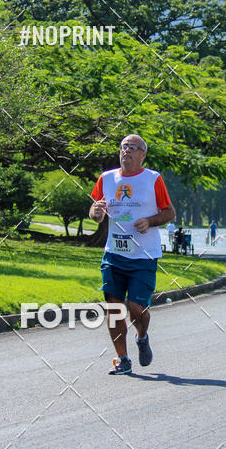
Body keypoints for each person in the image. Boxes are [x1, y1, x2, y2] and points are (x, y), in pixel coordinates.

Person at [89, 134, 176, 375]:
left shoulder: (153, 179)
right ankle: (122, 358)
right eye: (123, 147)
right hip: (114, 254)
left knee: (136, 308)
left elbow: (169, 212)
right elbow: (96, 211)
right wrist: (96, 212)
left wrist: (150, 220)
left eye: (132, 147)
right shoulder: (106, 178)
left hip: (143, 255)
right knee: (115, 309)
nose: (126, 151)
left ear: (142, 154)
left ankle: (142, 335)